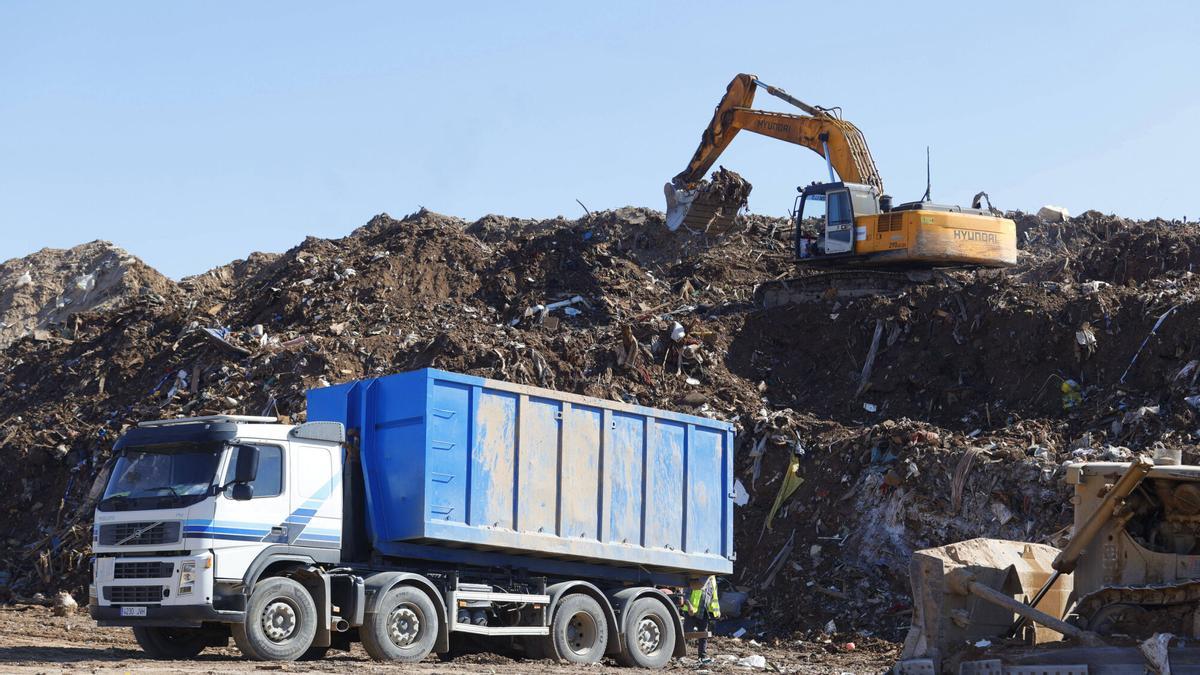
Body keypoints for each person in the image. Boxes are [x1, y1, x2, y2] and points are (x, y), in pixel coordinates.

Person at [682, 575, 720, 664]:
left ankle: (702, 657)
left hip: (704, 611)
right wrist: (689, 606)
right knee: (686, 634)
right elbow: (685, 593)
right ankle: (680, 656)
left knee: (703, 635)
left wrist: (717, 611)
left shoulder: (713, 578)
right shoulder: (697, 574)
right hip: (691, 611)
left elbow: (714, 596)